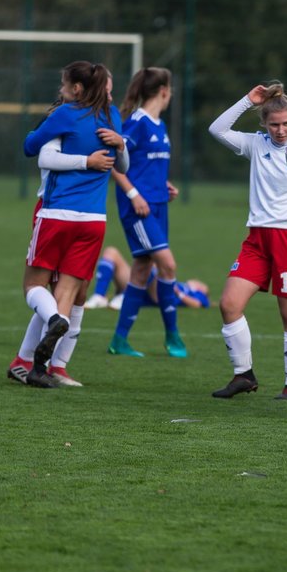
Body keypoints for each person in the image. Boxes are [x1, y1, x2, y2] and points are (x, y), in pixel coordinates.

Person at [205, 82, 287, 400]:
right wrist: (247, 101)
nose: (280, 130)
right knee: (229, 304)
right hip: (256, 238)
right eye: (274, 124)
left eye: (286, 124)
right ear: (264, 124)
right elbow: (217, 129)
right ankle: (244, 375)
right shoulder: (256, 145)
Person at [19, 61, 125, 388]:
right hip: (94, 220)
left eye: (65, 85)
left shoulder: (65, 114)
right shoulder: (113, 118)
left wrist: (52, 129)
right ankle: (40, 367)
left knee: (33, 287)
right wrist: (118, 145)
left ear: (77, 89)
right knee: (68, 293)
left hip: (58, 214)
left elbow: (30, 148)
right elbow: (122, 164)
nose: (61, 90)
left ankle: (53, 321)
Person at [106, 67, 187, 359]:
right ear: (164, 91)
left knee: (141, 270)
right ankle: (172, 335)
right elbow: (116, 163)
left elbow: (144, 166)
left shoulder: (159, 125)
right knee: (167, 265)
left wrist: (163, 185)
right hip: (137, 207)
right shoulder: (137, 122)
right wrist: (134, 193)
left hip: (157, 205)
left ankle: (119, 340)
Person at [87, 245, 210, 310]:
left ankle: (126, 296)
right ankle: (99, 296)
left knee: (154, 260)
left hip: (158, 296)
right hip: (144, 284)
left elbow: (197, 305)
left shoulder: (195, 293)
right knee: (111, 252)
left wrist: (179, 294)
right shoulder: (181, 283)